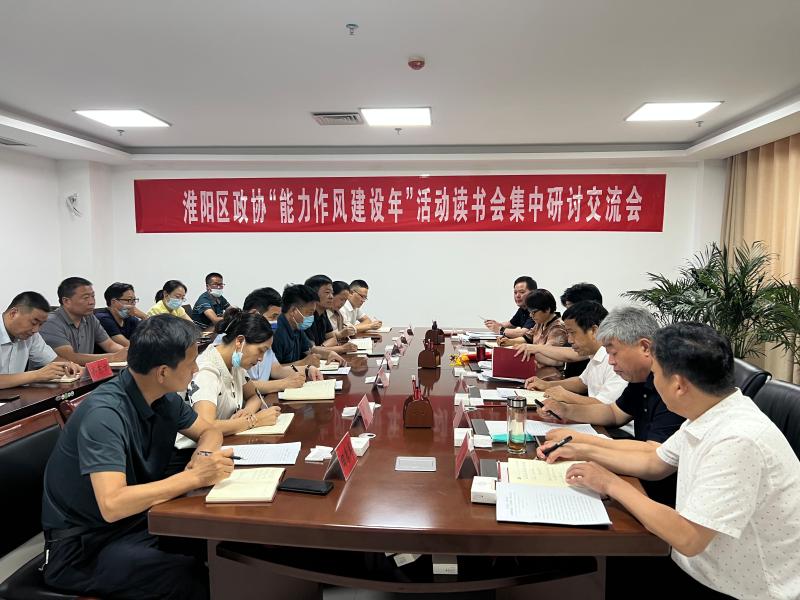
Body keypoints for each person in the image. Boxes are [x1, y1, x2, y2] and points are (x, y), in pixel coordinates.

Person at [550, 323, 800, 599]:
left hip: (741, 589)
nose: (653, 382)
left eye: (656, 374)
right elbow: (654, 461)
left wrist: (610, 483)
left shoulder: (738, 439)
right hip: (698, 565)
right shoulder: (710, 412)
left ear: (679, 384)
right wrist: (583, 449)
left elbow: (688, 537)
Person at [41, 315, 233, 600]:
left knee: (214, 543)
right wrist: (195, 477)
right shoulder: (105, 415)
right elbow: (112, 504)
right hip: (83, 547)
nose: (196, 369)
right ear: (163, 372)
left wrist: (203, 456)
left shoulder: (163, 398)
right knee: (186, 574)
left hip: (135, 521)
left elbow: (209, 431)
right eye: (191, 362)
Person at [536, 305, 685, 504]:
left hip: (659, 494)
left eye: (614, 353)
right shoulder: (640, 379)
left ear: (645, 347)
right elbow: (614, 413)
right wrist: (566, 410)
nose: (611, 362)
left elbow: (654, 458)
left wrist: (581, 444)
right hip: (637, 475)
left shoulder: (673, 386)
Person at [173, 310, 281, 460]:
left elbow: (254, 396)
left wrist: (247, 412)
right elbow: (206, 426)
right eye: (260, 351)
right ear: (240, 341)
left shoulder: (235, 363)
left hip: (226, 442)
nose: (261, 359)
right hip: (194, 453)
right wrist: (254, 421)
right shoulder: (206, 370)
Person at [526, 301, 628, 408]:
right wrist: (547, 385)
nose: (569, 340)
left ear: (594, 331)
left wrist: (567, 397)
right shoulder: (595, 354)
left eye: (572, 333)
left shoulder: (614, 360)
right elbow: (582, 382)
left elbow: (609, 407)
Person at [235, 289, 322, 394]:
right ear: (254, 314)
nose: (276, 323)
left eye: (277, 317)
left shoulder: (265, 338)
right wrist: (283, 383)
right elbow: (241, 384)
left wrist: (307, 369)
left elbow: (276, 369)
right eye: (273, 316)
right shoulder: (235, 342)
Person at [40, 277, 128, 366]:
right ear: (66, 301)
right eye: (86, 298)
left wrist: (127, 354)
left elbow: (110, 345)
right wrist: (113, 357)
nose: (92, 302)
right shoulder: (50, 322)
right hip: (59, 374)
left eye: (93, 296)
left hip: (85, 372)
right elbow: (70, 357)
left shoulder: (90, 317)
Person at [0, 291, 80, 388]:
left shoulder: (31, 335)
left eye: (41, 324)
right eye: (34, 323)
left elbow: (54, 360)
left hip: (16, 394)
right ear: (13, 313)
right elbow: (38, 374)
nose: (36, 330)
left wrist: (69, 365)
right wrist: (36, 375)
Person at [500, 289, 569, 379]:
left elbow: (551, 358)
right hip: (536, 370)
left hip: (550, 376)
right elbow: (527, 338)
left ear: (547, 309)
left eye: (534, 312)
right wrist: (509, 342)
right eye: (529, 311)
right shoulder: (540, 323)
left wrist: (529, 351)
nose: (531, 315)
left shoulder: (558, 328)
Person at [271, 284, 325, 366]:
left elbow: (310, 350)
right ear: (293, 310)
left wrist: (330, 354)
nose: (311, 317)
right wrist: (303, 362)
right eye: (309, 313)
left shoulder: (297, 326)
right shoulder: (276, 332)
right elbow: (272, 369)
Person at [304, 275, 357, 356]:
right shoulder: (306, 317)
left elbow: (333, 338)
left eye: (332, 293)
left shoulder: (323, 312)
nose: (331, 297)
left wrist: (322, 348)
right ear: (313, 294)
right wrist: (342, 348)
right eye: (327, 293)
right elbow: (311, 351)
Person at [96, 282, 147, 348]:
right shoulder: (103, 318)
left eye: (134, 300)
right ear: (114, 302)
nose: (133, 304)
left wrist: (144, 317)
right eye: (129, 300)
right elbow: (128, 345)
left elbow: (151, 339)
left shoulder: (131, 319)